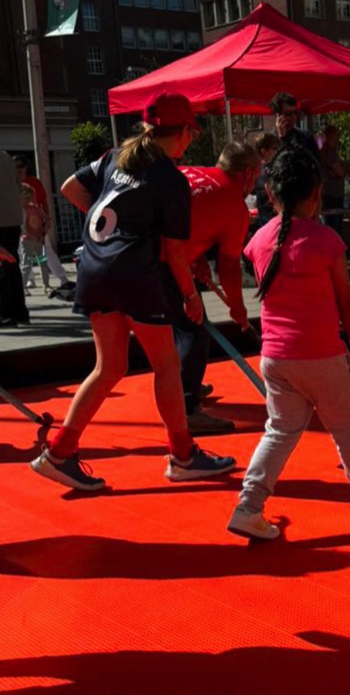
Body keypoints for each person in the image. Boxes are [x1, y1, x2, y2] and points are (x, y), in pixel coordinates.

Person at [30, 92, 236, 491]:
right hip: (134, 274)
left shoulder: (113, 158)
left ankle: (58, 451)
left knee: (108, 367)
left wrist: (109, 224)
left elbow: (72, 187)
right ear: (184, 134)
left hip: (94, 267)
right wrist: (191, 297)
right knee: (166, 366)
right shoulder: (170, 180)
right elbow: (175, 252)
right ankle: (183, 455)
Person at [228, 147, 350, 540]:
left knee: (280, 430)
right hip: (321, 355)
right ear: (316, 194)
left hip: (275, 357)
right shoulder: (325, 241)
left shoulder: (258, 242)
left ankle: (249, 505)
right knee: (349, 428)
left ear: (271, 195)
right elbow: (346, 304)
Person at [174, 142, 260, 435]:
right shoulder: (235, 206)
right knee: (194, 329)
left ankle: (184, 384)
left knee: (178, 327)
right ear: (247, 174)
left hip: (124, 253)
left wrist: (194, 255)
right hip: (159, 265)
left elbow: (187, 218)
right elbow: (228, 268)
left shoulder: (190, 172)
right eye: (257, 175)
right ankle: (187, 407)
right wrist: (238, 307)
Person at [13, 155, 74, 296]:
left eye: (21, 165)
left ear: (26, 167)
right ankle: (28, 282)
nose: (18, 169)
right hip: (21, 228)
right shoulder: (9, 183)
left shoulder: (34, 183)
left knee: (45, 255)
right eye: (15, 166)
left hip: (36, 227)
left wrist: (47, 220)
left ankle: (60, 279)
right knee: (24, 258)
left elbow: (43, 203)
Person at [0, 149, 29, 327]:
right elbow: (18, 185)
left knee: (2, 269)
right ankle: (20, 312)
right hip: (11, 218)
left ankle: (6, 313)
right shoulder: (6, 156)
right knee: (12, 266)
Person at [269, 92, 320, 162]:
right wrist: (282, 138)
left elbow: (318, 163)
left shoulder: (305, 136)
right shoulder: (269, 142)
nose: (293, 117)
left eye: (295, 112)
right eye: (288, 114)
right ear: (277, 115)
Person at [318, 124, 349, 228]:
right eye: (336, 136)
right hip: (331, 195)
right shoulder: (327, 152)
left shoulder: (333, 152)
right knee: (333, 226)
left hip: (335, 194)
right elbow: (341, 171)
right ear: (331, 136)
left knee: (336, 224)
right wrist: (341, 168)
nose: (338, 139)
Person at [249, 131, 280, 229]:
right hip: (268, 217)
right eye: (275, 149)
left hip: (272, 216)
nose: (278, 151)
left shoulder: (261, 168)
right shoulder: (260, 170)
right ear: (264, 151)